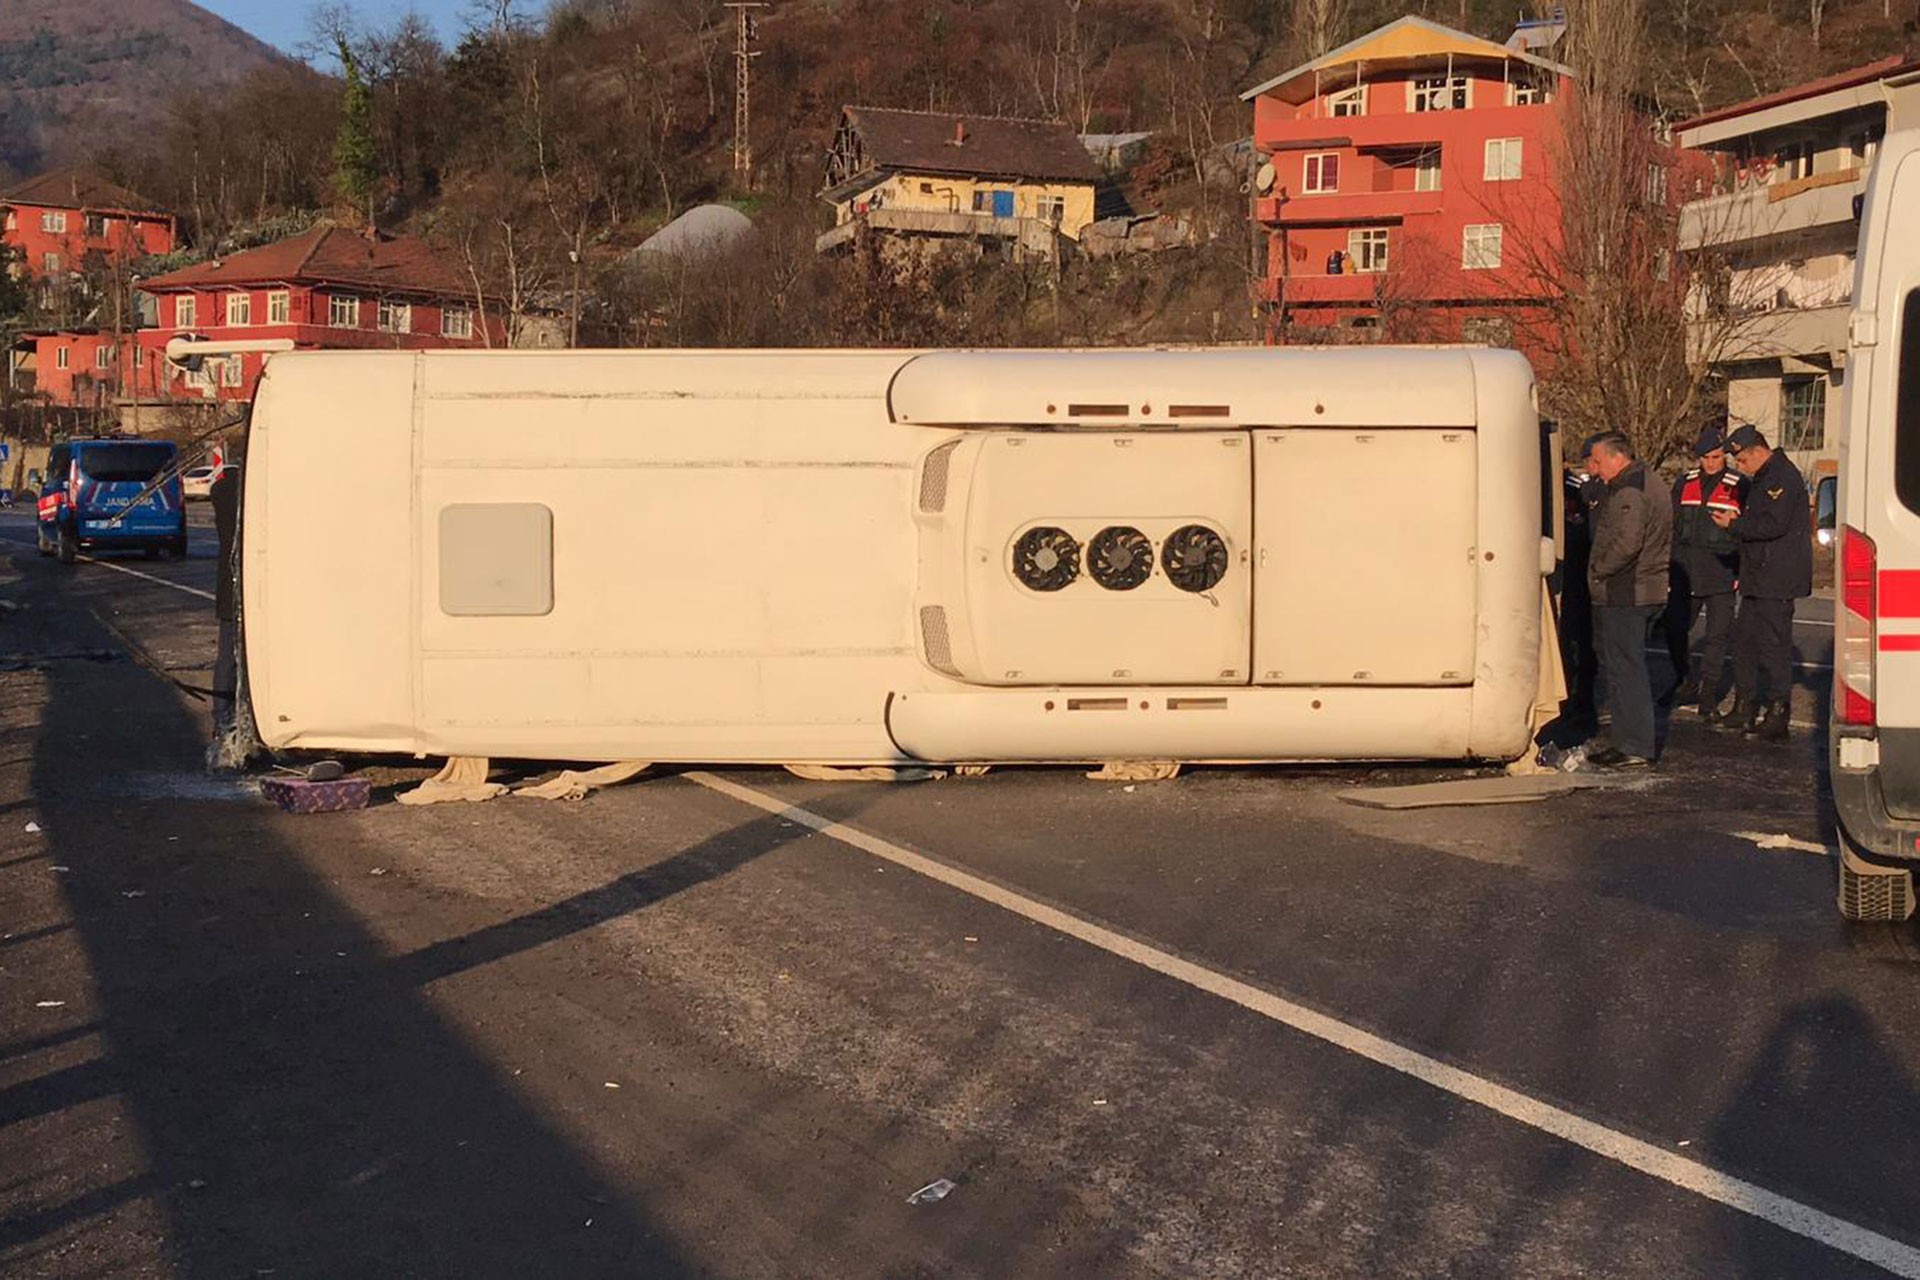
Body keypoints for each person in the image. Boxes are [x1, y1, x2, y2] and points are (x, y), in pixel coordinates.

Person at [1709, 423, 1812, 740]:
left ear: (1756, 451)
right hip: (1757, 575)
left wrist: (1734, 525)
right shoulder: (1762, 478)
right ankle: (1745, 705)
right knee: (1745, 643)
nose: (1740, 468)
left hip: (1777, 577)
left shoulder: (1782, 477)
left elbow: (1772, 524)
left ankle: (1778, 712)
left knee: (1773, 646)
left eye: (1741, 461)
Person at [1584, 432, 1673, 768]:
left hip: (1627, 591)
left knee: (1626, 669)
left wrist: (1597, 570)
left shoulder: (1630, 491)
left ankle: (1633, 745)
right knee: (1626, 667)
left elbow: (1626, 543)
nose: (1595, 470)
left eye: (1598, 460)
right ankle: (1627, 741)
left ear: (1616, 458)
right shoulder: (1647, 481)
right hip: (1638, 589)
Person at [1664, 423, 1746, 710]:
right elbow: (1672, 527)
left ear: (1724, 456)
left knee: (1717, 636)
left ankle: (1709, 692)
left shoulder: (1739, 484)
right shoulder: (1684, 482)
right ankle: (1685, 681)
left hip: (1722, 572)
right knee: (1675, 630)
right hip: (1687, 571)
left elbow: (1745, 531)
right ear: (1698, 457)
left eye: (1717, 457)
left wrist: (1740, 571)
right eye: (1706, 457)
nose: (1712, 463)